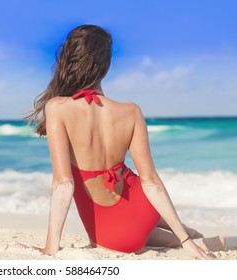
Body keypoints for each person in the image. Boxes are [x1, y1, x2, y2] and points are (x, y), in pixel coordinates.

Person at [26, 24, 218, 259]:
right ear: (106, 66)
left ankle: (185, 238)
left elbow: (63, 184)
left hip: (117, 237)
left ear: (69, 60)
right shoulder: (131, 111)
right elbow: (150, 182)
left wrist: (50, 248)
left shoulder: (58, 108)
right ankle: (189, 236)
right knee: (158, 228)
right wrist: (186, 240)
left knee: (133, 235)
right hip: (145, 205)